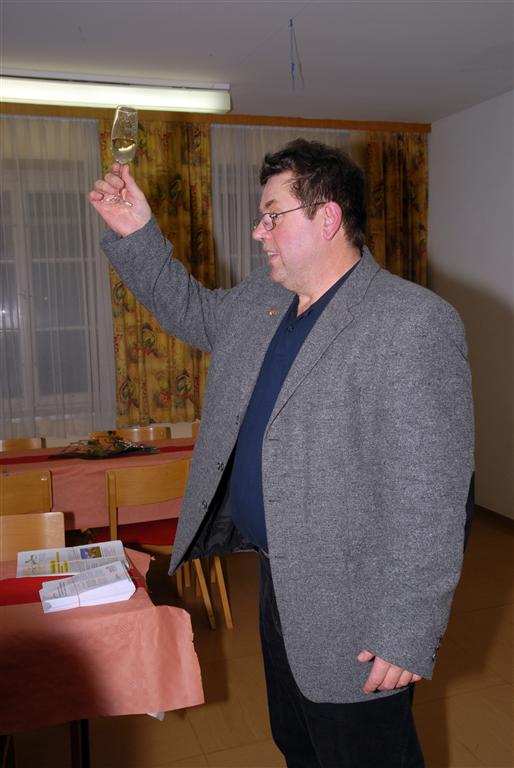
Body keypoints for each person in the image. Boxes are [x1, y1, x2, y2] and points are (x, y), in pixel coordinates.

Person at [88, 139, 474, 768]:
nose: (257, 231)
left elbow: (431, 497)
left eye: (272, 215)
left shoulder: (410, 322)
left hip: (355, 598)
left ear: (328, 218)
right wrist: (136, 231)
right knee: (298, 743)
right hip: (280, 578)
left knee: (362, 754)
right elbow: (189, 309)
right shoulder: (260, 302)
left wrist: (408, 630)